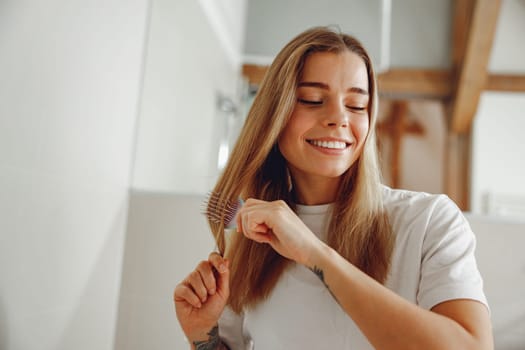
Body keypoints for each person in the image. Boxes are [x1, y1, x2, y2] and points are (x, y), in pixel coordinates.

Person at [174, 26, 492, 350]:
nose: (339, 118)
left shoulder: (429, 222)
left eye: (356, 106)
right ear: (275, 114)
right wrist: (202, 335)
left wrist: (315, 255)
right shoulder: (251, 239)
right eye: (312, 100)